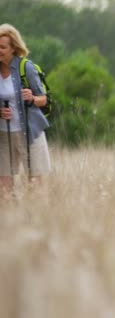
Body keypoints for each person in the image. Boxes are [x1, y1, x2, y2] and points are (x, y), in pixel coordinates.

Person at [0, 23, 51, 197]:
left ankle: (36, 219)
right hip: (4, 135)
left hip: (30, 133)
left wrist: (32, 98)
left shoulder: (26, 67)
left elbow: (44, 99)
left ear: (13, 47)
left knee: (35, 184)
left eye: (2, 47)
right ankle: (9, 221)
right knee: (3, 189)